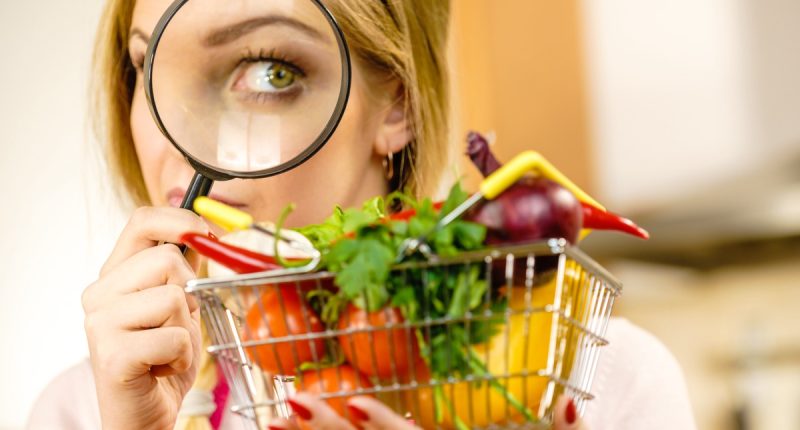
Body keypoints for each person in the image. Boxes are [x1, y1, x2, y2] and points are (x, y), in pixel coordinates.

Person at [26, 0, 696, 429]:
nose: (180, 142)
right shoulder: (83, 412)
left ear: (396, 104)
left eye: (270, 72)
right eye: (150, 70)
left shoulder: (593, 382)